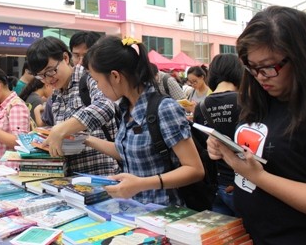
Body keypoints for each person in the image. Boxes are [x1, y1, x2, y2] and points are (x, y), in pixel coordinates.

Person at [206, 6, 306, 244]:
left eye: (269, 67)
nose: (260, 76)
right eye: (251, 68)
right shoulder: (259, 99)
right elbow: (271, 157)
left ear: (302, 59)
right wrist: (223, 148)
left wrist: (257, 177)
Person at [83, 36, 204, 205]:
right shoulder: (126, 108)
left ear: (115, 76)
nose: (97, 88)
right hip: (135, 210)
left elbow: (194, 169)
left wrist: (141, 184)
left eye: (97, 81)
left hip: (163, 211)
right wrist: (85, 139)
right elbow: (127, 151)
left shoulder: (164, 108)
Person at [26, 36, 119, 176]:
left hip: (103, 175)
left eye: (51, 71)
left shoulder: (90, 78)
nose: (47, 80)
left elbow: (105, 105)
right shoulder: (56, 96)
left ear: (65, 58)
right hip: (73, 180)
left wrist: (62, 129)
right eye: (41, 76)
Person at [192, 53, 243, 216]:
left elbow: (201, 146)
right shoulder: (245, 101)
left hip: (217, 184)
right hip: (245, 183)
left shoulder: (200, 107)